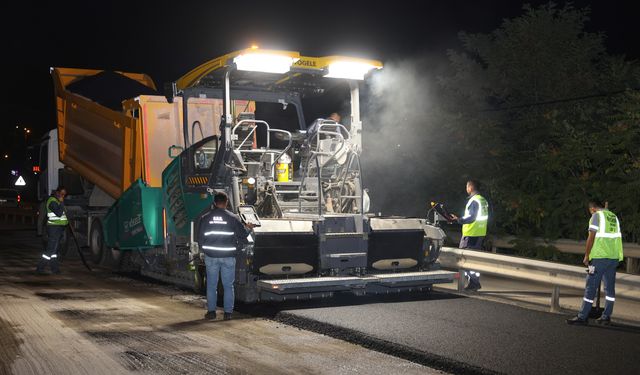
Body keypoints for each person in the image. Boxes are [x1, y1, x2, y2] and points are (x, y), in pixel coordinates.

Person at [567, 199, 623, 326]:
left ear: (592, 209)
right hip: (613, 258)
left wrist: (587, 255)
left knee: (590, 287)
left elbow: (591, 237)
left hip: (599, 258)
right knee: (610, 289)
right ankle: (606, 316)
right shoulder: (613, 216)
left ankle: (582, 316)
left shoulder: (596, 216)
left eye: (590, 211)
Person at [197, 192, 252, 321]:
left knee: (211, 285)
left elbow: (200, 238)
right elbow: (243, 236)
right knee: (228, 286)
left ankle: (211, 313)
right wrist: (248, 228)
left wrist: (204, 251)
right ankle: (228, 313)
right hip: (228, 257)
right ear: (226, 202)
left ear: (214, 203)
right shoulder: (233, 218)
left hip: (211, 257)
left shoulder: (205, 218)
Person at [450, 180, 489, 291]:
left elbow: (472, 217)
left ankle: (474, 283)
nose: (466, 189)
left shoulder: (474, 201)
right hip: (480, 233)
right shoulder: (483, 200)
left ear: (470, 187)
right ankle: (474, 283)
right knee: (473, 260)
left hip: (471, 234)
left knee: (464, 259)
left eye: (467, 187)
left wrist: (458, 219)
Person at [36, 186, 68, 274]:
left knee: (54, 251)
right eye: (62, 193)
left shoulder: (57, 201)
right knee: (50, 249)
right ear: (57, 192)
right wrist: (61, 203)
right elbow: (58, 213)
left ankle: (55, 269)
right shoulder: (52, 201)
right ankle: (40, 267)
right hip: (54, 228)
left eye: (64, 194)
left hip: (58, 228)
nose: (63, 195)